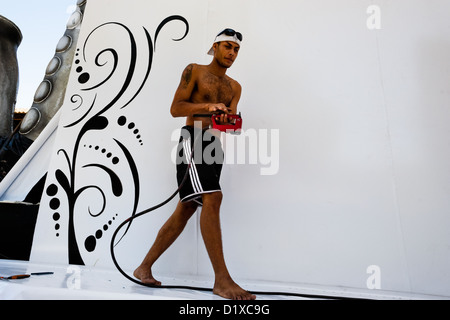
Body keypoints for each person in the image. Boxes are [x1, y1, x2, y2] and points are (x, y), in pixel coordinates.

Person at [133, 29, 256, 300]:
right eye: (226, 47)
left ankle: (143, 267)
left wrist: (229, 120)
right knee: (214, 196)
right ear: (215, 46)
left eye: (235, 50)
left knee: (186, 208)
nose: (231, 53)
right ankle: (222, 280)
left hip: (215, 147)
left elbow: (228, 125)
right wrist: (207, 107)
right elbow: (176, 108)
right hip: (193, 141)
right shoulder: (195, 70)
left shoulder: (235, 87)